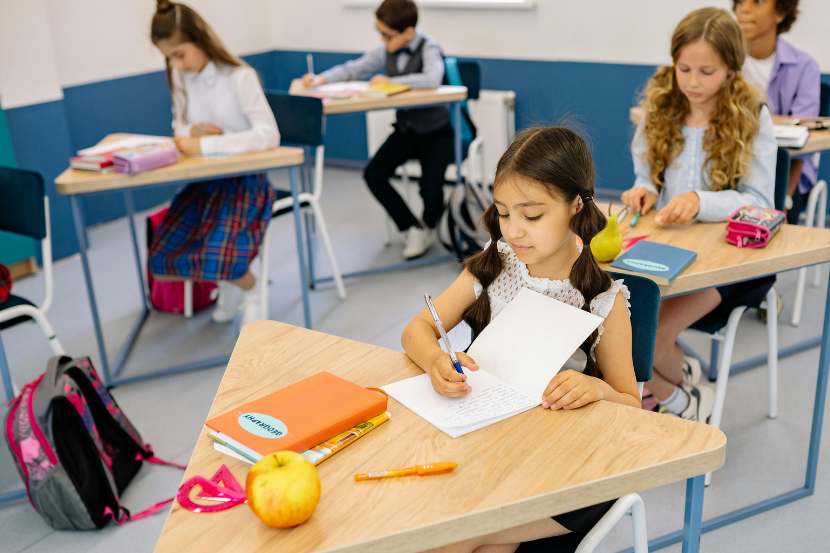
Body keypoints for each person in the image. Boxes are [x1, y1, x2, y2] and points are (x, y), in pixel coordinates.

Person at [402, 126, 641, 552]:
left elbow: (633, 406)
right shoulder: (495, 264)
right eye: (503, 213)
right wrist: (436, 360)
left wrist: (597, 388)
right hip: (490, 447)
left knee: (451, 538)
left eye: (532, 216)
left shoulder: (604, 300)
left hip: (569, 470)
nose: (513, 231)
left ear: (575, 207)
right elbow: (416, 330)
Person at [622, 7, 777, 423]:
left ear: (731, 69)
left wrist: (701, 200)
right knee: (615, 330)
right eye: (683, 68)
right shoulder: (661, 105)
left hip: (730, 262)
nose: (692, 82)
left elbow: (760, 200)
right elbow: (646, 173)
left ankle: (685, 402)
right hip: (670, 250)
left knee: (646, 339)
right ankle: (679, 373)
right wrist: (645, 191)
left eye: (706, 71)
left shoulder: (752, 115)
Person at [148, 1, 280, 327]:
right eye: (169, 57)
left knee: (221, 254)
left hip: (246, 183)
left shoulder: (239, 77)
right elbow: (178, 128)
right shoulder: (181, 79)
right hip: (206, 183)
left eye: (179, 54)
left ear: (200, 40)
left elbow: (269, 135)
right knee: (164, 254)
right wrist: (194, 131)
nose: (176, 64)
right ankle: (231, 286)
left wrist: (203, 143)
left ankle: (250, 292)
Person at [302, 0, 452, 260]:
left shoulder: (430, 47)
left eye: (387, 35)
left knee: (430, 189)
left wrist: (391, 81)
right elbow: (354, 68)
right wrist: (321, 79)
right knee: (374, 174)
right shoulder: (386, 50)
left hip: (436, 132)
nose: (382, 40)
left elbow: (431, 79)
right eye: (379, 33)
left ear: (407, 32)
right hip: (406, 131)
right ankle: (411, 226)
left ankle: (428, 226)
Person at [734, 0, 820, 225]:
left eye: (758, 1)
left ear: (780, 12)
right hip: (732, 170)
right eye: (740, 1)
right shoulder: (721, 63)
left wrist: (786, 198)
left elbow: (803, 142)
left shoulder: (804, 67)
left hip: (787, 174)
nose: (744, 8)